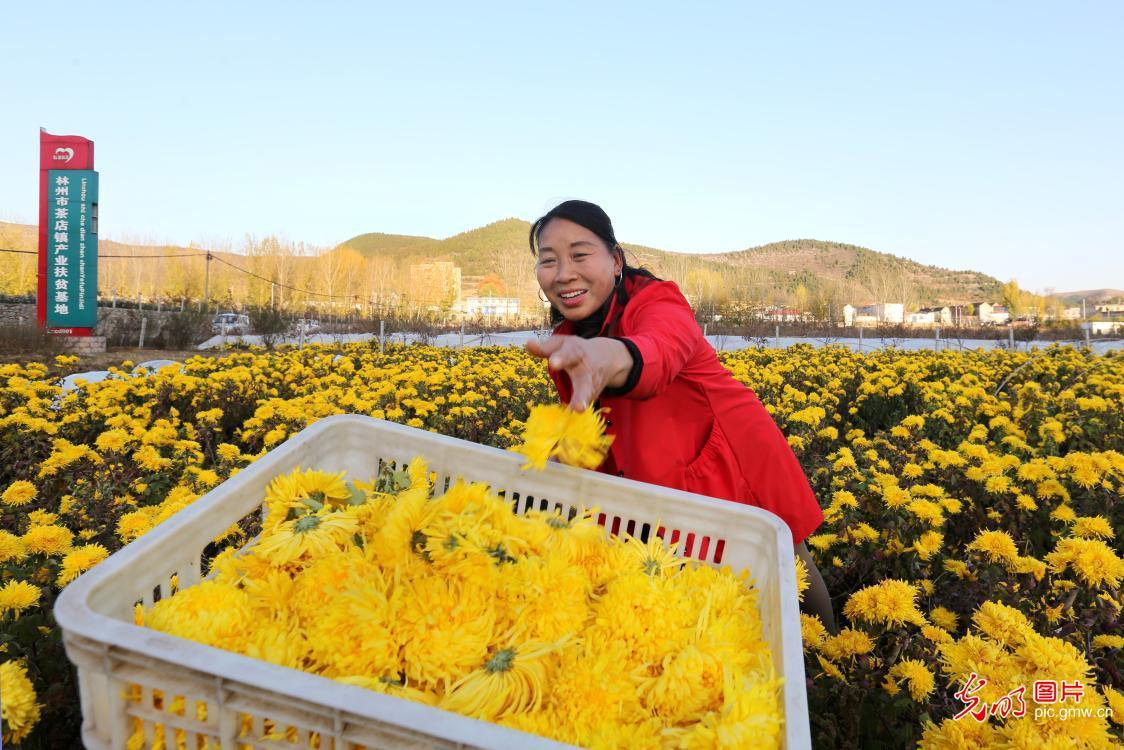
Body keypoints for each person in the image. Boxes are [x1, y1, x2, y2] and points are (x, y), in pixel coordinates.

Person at [524, 199, 837, 633]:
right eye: (548, 261)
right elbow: (592, 423)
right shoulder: (567, 339)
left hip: (725, 455)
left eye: (579, 255)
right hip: (658, 473)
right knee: (703, 597)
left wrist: (612, 355)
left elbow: (659, 350)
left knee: (785, 567)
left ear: (615, 261)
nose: (563, 274)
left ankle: (834, 662)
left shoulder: (657, 301)